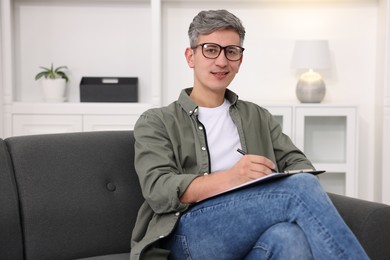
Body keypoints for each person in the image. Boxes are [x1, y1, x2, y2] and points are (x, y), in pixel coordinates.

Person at [130, 9, 368, 260]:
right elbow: (158, 189)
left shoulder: (257, 116)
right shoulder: (156, 121)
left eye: (231, 51)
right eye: (211, 49)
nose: (222, 61)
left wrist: (264, 184)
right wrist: (232, 178)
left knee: (289, 237)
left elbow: (300, 165)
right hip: (187, 236)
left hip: (250, 232)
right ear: (191, 56)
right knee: (298, 189)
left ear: (240, 61)